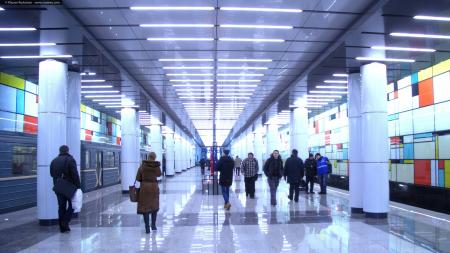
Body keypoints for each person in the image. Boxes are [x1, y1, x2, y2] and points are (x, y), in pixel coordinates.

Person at [50, 145, 81, 233]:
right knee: (72, 205)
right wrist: (78, 186)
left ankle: (62, 227)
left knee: (61, 206)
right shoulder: (70, 160)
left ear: (59, 151)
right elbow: (75, 174)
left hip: (58, 187)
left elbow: (51, 174)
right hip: (69, 187)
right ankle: (65, 222)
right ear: (67, 151)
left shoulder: (54, 161)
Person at [136, 151, 162, 233]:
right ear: (154, 157)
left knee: (145, 207)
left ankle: (147, 227)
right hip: (154, 188)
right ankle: (153, 226)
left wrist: (144, 180)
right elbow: (159, 174)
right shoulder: (156, 166)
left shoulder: (142, 166)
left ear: (148, 157)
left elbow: (138, 178)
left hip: (144, 188)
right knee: (154, 206)